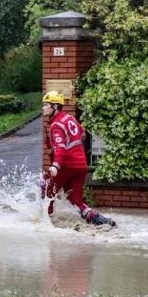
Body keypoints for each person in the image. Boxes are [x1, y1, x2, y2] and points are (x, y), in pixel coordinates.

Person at [40, 91, 116, 227]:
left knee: (46, 188)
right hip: (81, 165)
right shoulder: (69, 118)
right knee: (75, 199)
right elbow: (82, 134)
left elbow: (60, 147)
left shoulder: (56, 125)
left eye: (46, 105)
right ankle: (99, 221)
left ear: (55, 107)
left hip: (66, 165)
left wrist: (56, 165)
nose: (43, 108)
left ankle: (45, 221)